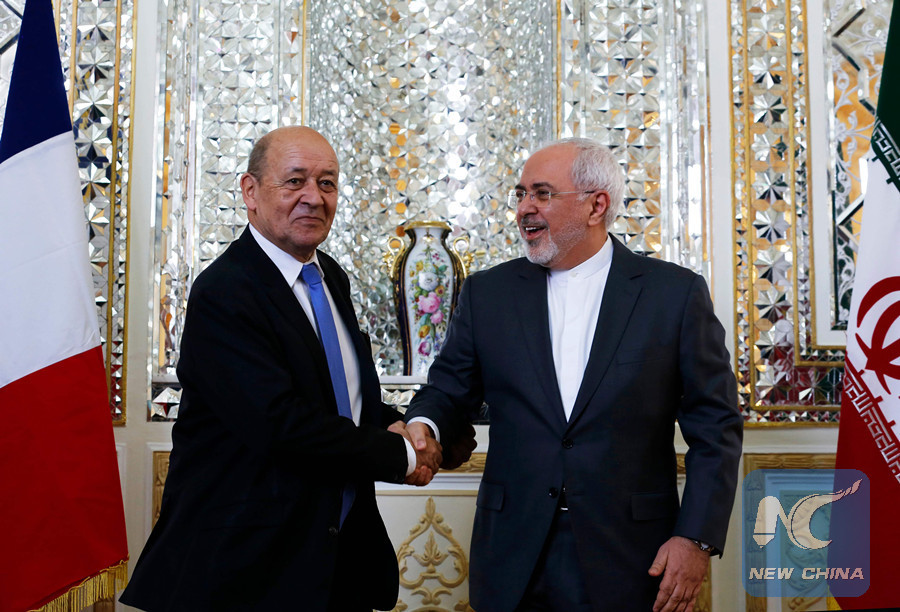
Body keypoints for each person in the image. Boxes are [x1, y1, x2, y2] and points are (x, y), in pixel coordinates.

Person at [404, 138, 743, 611]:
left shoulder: (674, 295)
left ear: (596, 206)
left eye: (542, 194)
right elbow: (447, 390)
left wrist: (695, 539)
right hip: (512, 554)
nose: (524, 208)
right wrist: (424, 425)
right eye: (520, 194)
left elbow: (716, 427)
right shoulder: (488, 294)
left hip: (631, 555)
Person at [121, 126, 445, 612]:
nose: (314, 197)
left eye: (327, 182)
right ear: (250, 192)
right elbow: (279, 422)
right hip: (247, 572)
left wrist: (399, 424)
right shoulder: (225, 291)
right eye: (295, 181)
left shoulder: (329, 277)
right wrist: (399, 453)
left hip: (333, 564)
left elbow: (336, 395)